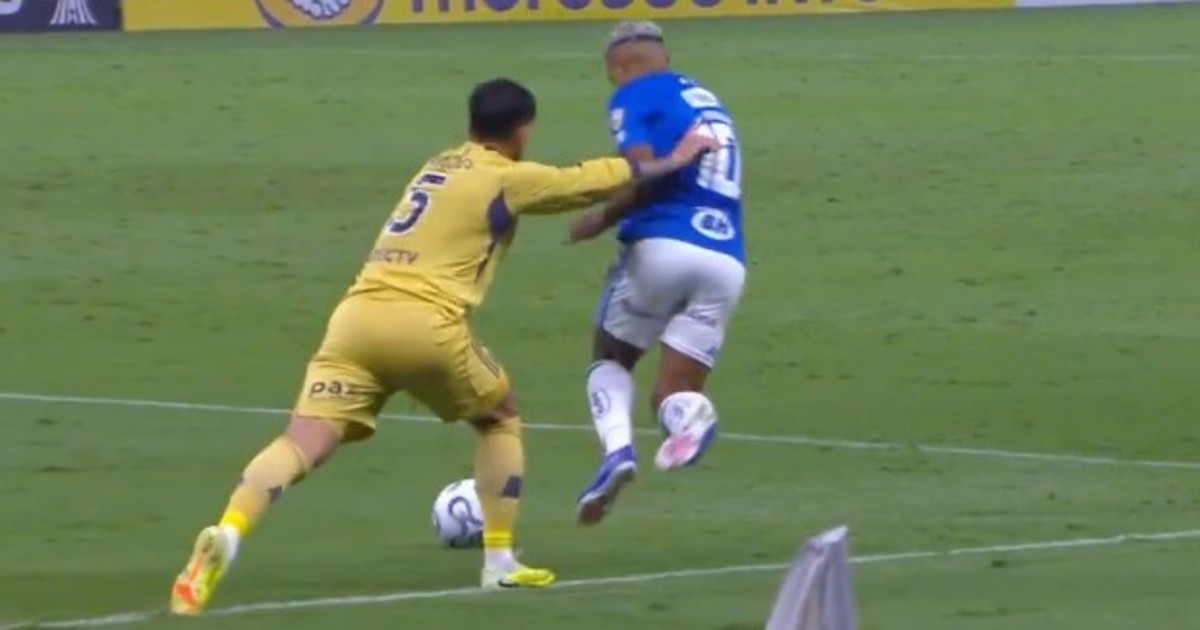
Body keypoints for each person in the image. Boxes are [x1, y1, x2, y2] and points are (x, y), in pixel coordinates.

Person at [168, 77, 717, 615]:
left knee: (301, 443)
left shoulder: (435, 166)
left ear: (471, 123)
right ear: (522, 131)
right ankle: (499, 561)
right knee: (500, 418)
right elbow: (589, 180)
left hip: (354, 320)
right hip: (424, 325)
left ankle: (229, 531)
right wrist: (678, 156)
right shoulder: (506, 176)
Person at [570, 21, 746, 526]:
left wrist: (601, 218)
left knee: (611, 357)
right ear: (664, 57)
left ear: (619, 67)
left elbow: (641, 173)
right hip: (726, 259)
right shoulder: (703, 99)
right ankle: (688, 419)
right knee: (670, 395)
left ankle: (617, 453)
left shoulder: (634, 95)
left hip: (664, 246)